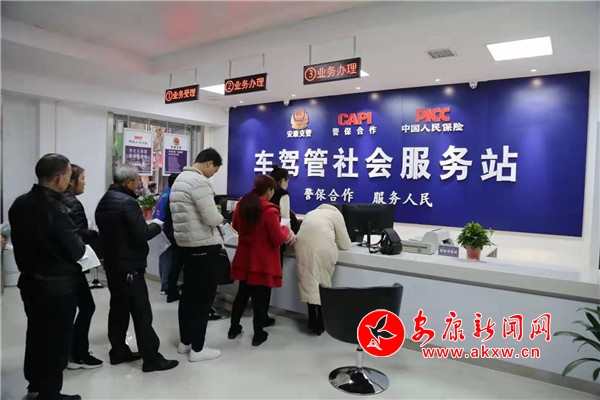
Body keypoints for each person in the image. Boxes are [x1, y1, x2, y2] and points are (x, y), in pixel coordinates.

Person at [9, 153, 86, 400]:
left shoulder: (19, 204)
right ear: (59, 178)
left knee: (36, 335)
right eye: (69, 175)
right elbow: (77, 250)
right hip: (57, 287)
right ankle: (50, 394)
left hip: (29, 282)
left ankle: (34, 385)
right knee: (56, 343)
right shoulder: (58, 209)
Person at [95, 164, 178, 373]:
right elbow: (142, 233)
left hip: (113, 264)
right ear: (128, 182)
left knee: (118, 310)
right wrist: (156, 226)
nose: (139, 184)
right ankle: (152, 359)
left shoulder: (104, 201)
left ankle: (118, 351)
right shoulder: (128, 202)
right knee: (142, 313)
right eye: (137, 181)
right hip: (130, 265)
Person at [170, 148, 224, 362]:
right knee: (203, 298)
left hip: (186, 246)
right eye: (215, 170)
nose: (213, 175)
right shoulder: (199, 181)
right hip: (204, 247)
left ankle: (185, 342)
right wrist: (222, 219)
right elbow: (211, 217)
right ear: (209, 163)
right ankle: (198, 349)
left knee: (188, 296)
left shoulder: (180, 179)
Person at [228, 175, 296, 346]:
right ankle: (258, 334)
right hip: (263, 262)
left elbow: (234, 227)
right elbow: (277, 239)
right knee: (261, 299)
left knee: (242, 295)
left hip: (244, 259)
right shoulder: (270, 211)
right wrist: (285, 229)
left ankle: (234, 328)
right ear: (269, 190)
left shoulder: (242, 204)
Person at [60, 164, 103, 370]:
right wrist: (94, 233)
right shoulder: (72, 203)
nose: (84, 183)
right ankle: (79, 354)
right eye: (82, 179)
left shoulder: (57, 200)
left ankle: (72, 352)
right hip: (71, 266)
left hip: (60, 267)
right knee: (87, 307)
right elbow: (77, 237)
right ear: (70, 181)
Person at [294, 202, 351, 335]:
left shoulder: (311, 213)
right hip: (322, 251)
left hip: (301, 248)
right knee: (321, 284)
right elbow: (345, 244)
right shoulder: (336, 215)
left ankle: (312, 320)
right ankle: (320, 324)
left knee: (308, 284)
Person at [151, 173, 183, 301]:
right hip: (167, 229)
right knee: (169, 259)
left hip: (160, 226)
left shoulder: (165, 193)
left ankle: (164, 285)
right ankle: (166, 286)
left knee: (164, 258)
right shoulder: (173, 195)